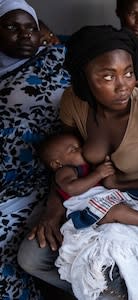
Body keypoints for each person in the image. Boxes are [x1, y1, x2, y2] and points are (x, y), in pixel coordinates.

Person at [18, 25, 138, 299]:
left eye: (129, 72)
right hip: (94, 198)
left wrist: (124, 182)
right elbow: (65, 161)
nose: (123, 85)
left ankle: (107, 293)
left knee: (104, 266)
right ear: (84, 78)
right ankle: (103, 294)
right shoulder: (74, 102)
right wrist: (52, 210)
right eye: (108, 76)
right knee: (30, 258)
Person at [0, 0, 71, 298]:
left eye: (31, 27)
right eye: (12, 27)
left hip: (37, 187)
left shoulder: (54, 75)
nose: (26, 35)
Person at [38, 132, 138, 229]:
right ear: (57, 163)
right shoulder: (64, 171)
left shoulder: (85, 165)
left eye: (80, 146)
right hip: (87, 207)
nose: (81, 150)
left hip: (105, 196)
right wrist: (98, 173)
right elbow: (72, 188)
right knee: (117, 211)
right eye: (73, 150)